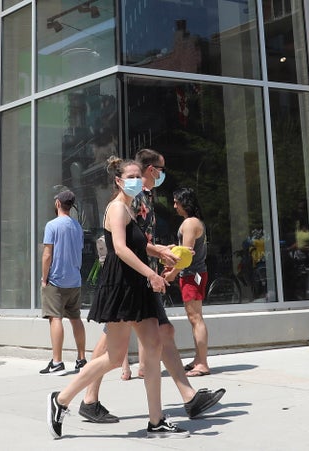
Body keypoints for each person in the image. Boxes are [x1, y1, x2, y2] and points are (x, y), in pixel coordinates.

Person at [78, 149, 224, 424]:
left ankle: (188, 398)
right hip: (132, 278)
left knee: (161, 332)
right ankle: (84, 397)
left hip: (144, 275)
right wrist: (152, 267)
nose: (162, 174)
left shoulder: (142, 197)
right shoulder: (130, 200)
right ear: (149, 169)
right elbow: (125, 244)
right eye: (159, 168)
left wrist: (161, 253)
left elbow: (143, 242)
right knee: (113, 342)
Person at [47, 156, 185, 439]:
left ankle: (156, 419)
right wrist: (153, 274)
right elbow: (120, 249)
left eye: (138, 175)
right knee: (114, 357)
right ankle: (61, 399)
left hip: (135, 285)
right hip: (122, 285)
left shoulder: (130, 208)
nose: (137, 180)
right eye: (131, 176)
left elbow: (138, 245)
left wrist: (161, 251)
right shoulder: (117, 208)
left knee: (154, 344)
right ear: (119, 180)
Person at [39, 190, 87, 375]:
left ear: (58, 203)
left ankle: (57, 361)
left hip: (56, 280)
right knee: (75, 318)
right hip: (74, 280)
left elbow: (47, 254)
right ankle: (81, 358)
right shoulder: (77, 226)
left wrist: (45, 279)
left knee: (55, 318)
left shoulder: (52, 225)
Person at [164, 188, 210, 376]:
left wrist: (173, 273)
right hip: (194, 274)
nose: (174, 206)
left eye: (176, 202)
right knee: (195, 318)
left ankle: (203, 364)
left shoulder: (190, 223)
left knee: (195, 318)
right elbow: (184, 250)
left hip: (193, 275)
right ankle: (198, 359)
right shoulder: (193, 222)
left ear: (185, 202)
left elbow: (186, 256)